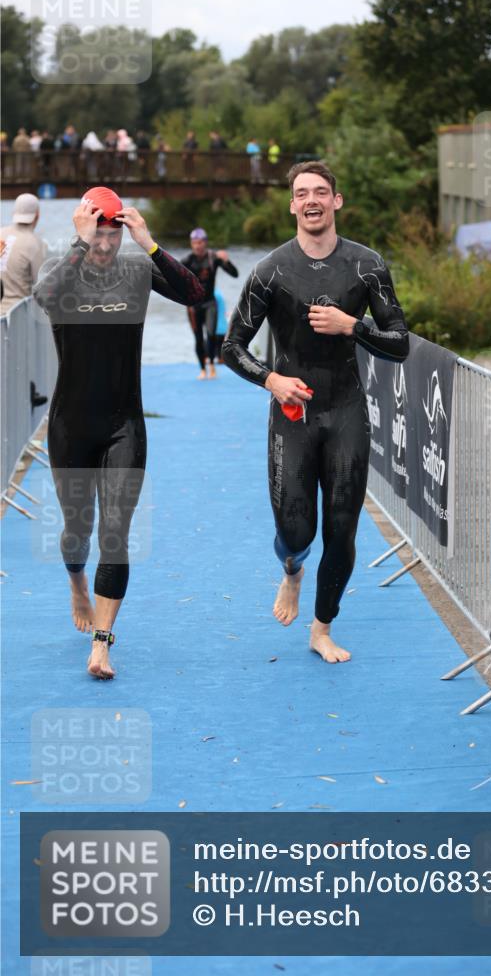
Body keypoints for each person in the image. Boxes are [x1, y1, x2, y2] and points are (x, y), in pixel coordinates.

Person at [223, 161, 409, 663]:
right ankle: (292, 570)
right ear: (292, 205)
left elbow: (400, 343)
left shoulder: (367, 265)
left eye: (321, 192)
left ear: (336, 201)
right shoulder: (271, 271)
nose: (312, 200)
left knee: (342, 531)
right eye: (302, 193)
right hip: (293, 417)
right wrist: (272, 379)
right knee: (296, 532)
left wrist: (354, 326)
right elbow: (231, 346)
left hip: (346, 410)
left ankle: (322, 628)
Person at [33, 186, 205, 679]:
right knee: (78, 531)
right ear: (84, 228)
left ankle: (103, 645)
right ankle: (76, 583)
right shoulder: (62, 266)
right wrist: (79, 245)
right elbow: (44, 299)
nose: (106, 244)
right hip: (70, 423)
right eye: (99, 234)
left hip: (123, 423)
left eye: (113, 234)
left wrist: (149, 243)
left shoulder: (136, 269)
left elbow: (194, 294)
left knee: (115, 534)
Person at [181, 227, 239, 379]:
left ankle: (212, 364)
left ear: (205, 243)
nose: (198, 246)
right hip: (193, 306)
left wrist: (227, 260)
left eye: (200, 242)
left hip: (210, 303)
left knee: (211, 335)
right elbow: (174, 280)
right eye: (194, 243)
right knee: (198, 338)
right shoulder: (187, 261)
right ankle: (202, 369)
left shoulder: (214, 258)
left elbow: (235, 274)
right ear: (191, 244)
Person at [1, 193, 47, 314]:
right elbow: (41, 285)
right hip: (16, 314)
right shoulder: (35, 243)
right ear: (37, 216)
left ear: (13, 213)